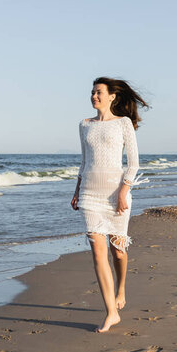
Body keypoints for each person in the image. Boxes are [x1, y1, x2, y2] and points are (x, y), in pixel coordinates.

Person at [71, 76, 150, 333]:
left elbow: (134, 164)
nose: (94, 96)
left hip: (116, 194)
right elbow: (84, 163)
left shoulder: (123, 124)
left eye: (98, 92)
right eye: (92, 92)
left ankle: (122, 286)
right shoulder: (84, 125)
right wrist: (76, 191)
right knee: (97, 252)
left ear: (112, 96)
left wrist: (123, 192)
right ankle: (111, 312)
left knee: (117, 250)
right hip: (90, 196)